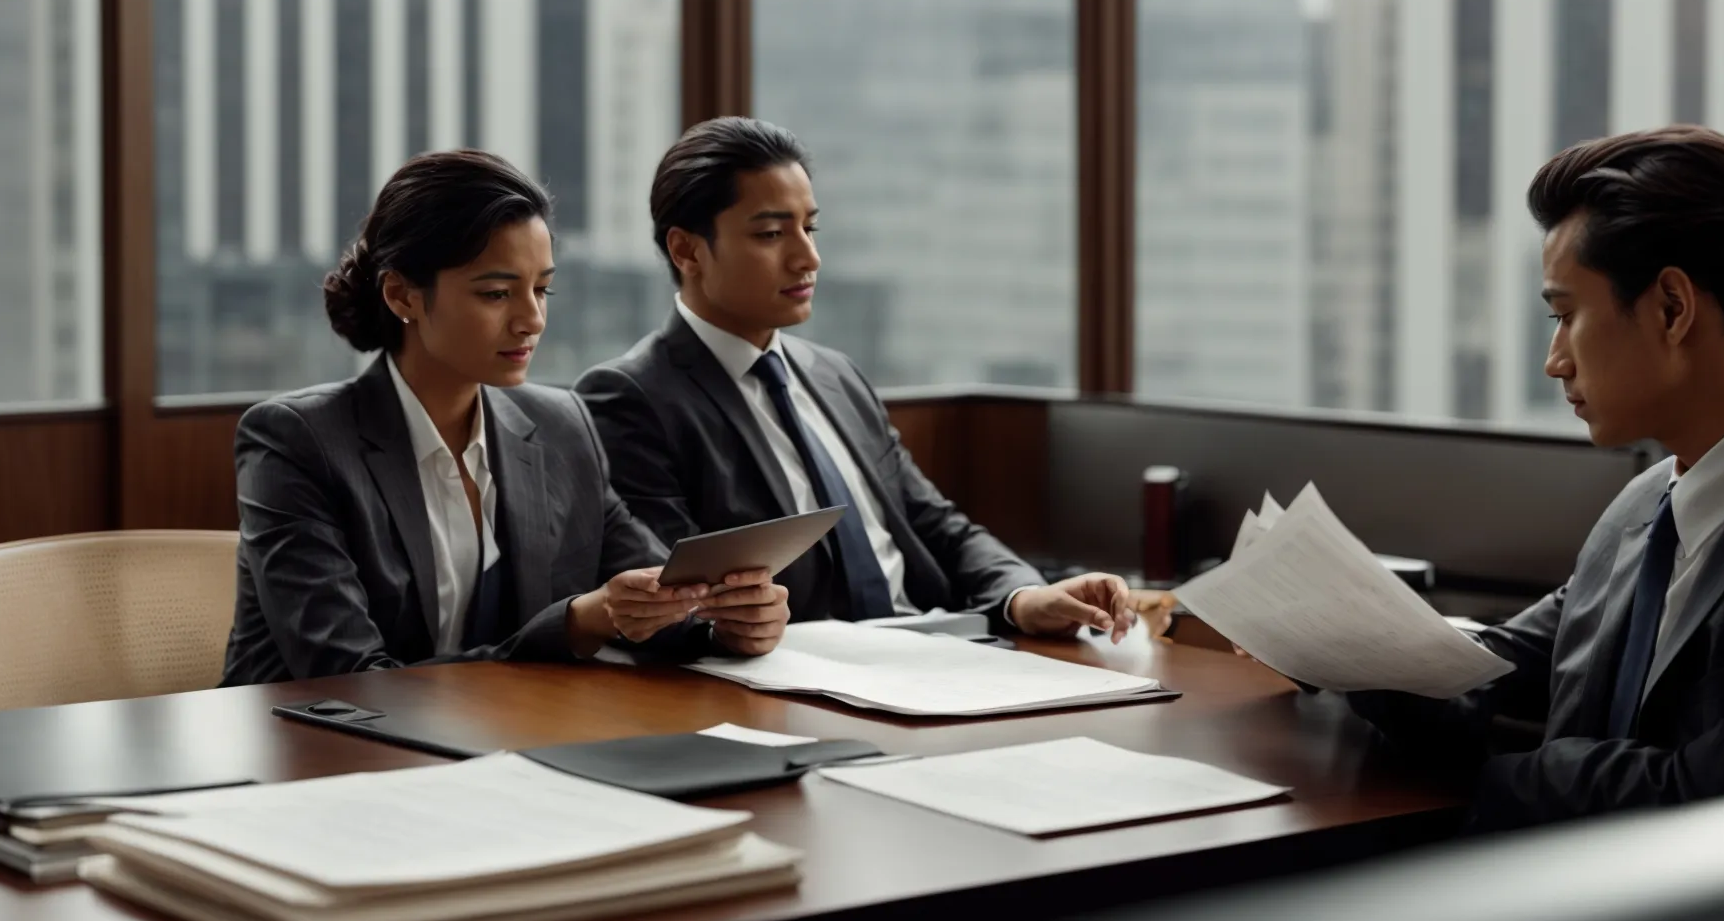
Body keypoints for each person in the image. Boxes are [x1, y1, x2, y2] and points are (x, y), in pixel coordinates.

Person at [1347, 125, 1724, 829]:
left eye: (1566, 316)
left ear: (1673, 309)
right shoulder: (1650, 501)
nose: (1554, 360)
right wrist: (1345, 646)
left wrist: (1480, 781)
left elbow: (1706, 806)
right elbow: (1507, 667)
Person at [221, 150, 789, 685]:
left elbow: (650, 593)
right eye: (496, 294)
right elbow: (349, 674)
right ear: (402, 296)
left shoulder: (561, 423)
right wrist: (577, 623)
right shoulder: (298, 442)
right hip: (316, 754)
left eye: (542, 290)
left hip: (497, 743)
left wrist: (724, 621)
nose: (532, 320)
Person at [573, 117, 1136, 640]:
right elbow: (670, 599)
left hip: (940, 647)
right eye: (771, 235)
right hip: (801, 677)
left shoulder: (834, 375)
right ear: (687, 249)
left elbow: (934, 524)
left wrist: (1025, 595)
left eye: (809, 227)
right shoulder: (630, 396)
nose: (808, 258)